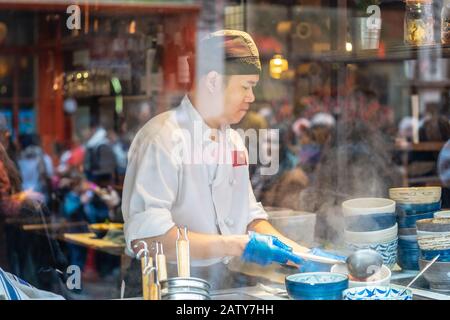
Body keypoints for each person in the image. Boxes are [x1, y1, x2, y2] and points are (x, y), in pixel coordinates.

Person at [121, 30, 344, 296]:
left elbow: (248, 218)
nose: (251, 97)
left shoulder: (234, 142)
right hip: (163, 282)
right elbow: (148, 238)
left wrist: (302, 255)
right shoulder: (163, 138)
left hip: (219, 278)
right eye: (245, 86)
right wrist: (237, 245)